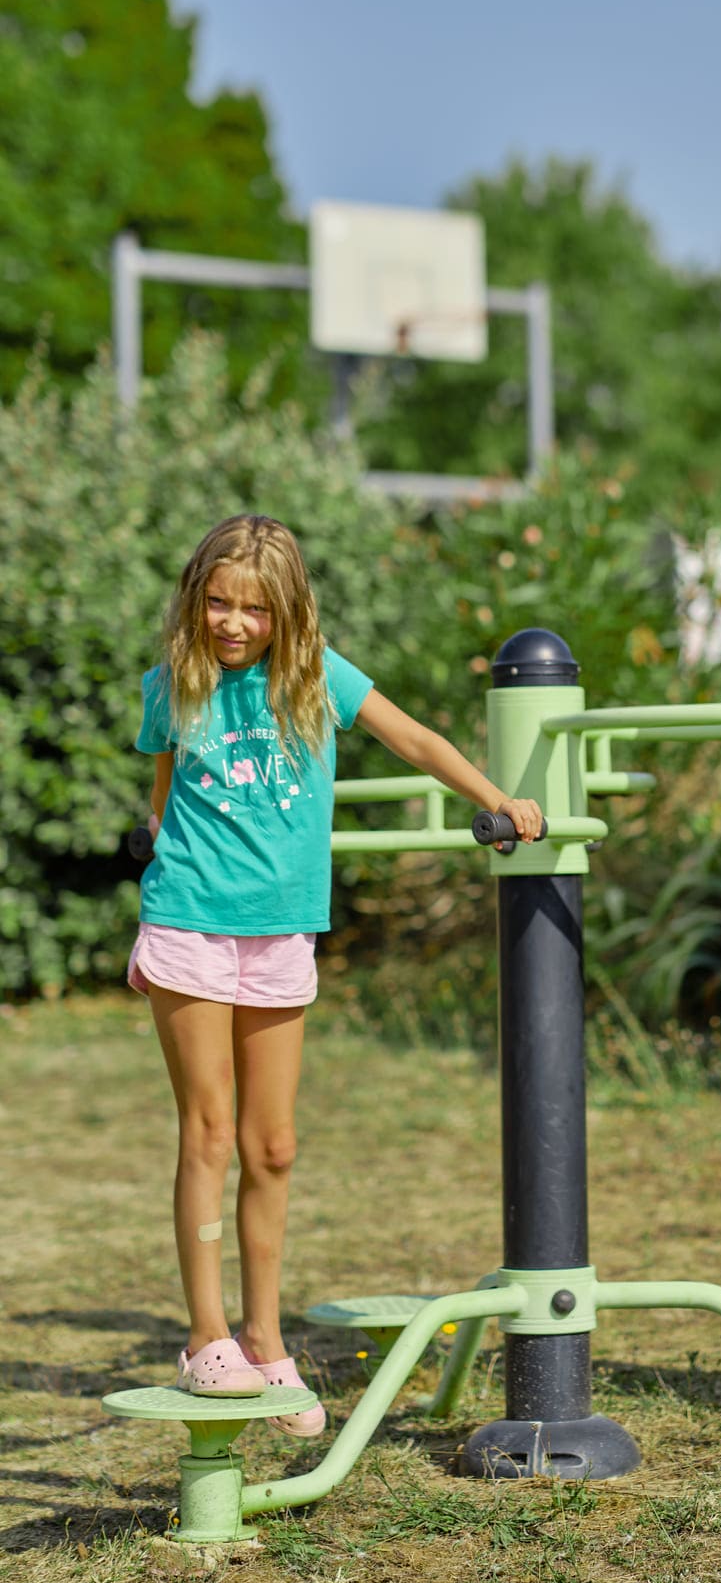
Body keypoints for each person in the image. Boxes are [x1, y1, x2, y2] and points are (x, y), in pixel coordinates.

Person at [131, 514, 543, 1431]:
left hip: (280, 936)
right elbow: (162, 796)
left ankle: (266, 1343)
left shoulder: (318, 679)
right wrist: (167, 857)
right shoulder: (174, 686)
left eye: (255, 609)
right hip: (191, 923)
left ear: (288, 615)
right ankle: (206, 1342)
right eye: (218, 602)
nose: (233, 623)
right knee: (209, 1133)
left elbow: (417, 740)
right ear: (196, 596)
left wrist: (499, 800)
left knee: (272, 1146)